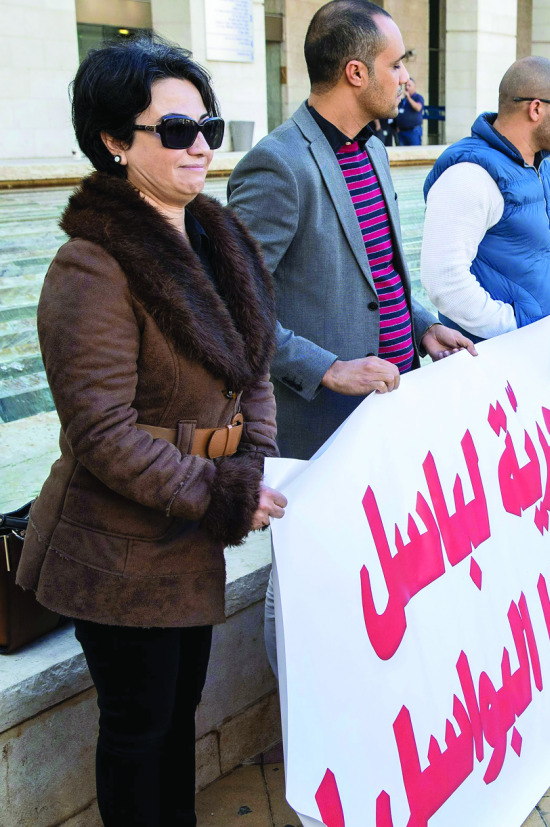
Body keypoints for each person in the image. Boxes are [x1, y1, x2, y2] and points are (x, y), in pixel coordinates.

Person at [18, 37, 285, 825]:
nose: (200, 143)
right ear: (112, 141)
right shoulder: (91, 264)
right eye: (174, 130)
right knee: (140, 728)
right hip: (118, 545)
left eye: (208, 125)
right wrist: (225, 489)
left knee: (178, 715)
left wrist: (254, 457)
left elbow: (253, 366)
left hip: (193, 527)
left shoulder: (216, 234)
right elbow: (102, 433)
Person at [227, 0, 475, 676]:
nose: (408, 80)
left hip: (387, 411)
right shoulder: (277, 166)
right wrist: (328, 367)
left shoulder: (369, 146)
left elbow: (381, 272)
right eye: (398, 65)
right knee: (306, 582)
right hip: (317, 423)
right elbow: (230, 307)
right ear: (357, 71)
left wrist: (425, 326)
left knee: (376, 567)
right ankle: (302, 726)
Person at [421, 55, 550, 340]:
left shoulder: (538, 166)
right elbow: (444, 282)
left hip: (534, 350)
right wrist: (518, 325)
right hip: (498, 362)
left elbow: (524, 254)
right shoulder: (469, 175)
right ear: (536, 108)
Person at [393, 77, 425, 145]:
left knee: (415, 153)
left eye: (409, 85)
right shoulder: (403, 100)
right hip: (401, 132)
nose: (407, 87)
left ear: (414, 87)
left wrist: (409, 98)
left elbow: (418, 108)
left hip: (413, 131)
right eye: (406, 85)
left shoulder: (418, 97)